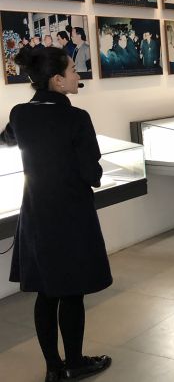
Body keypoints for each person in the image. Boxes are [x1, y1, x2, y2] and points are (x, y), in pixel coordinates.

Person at [0, 46, 112, 381]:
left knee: (46, 293)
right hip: (72, 215)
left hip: (37, 214)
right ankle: (75, 363)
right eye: (73, 70)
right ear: (57, 80)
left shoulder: (20, 114)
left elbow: (6, 140)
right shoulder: (77, 118)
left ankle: (53, 368)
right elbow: (91, 173)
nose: (78, 75)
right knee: (72, 292)